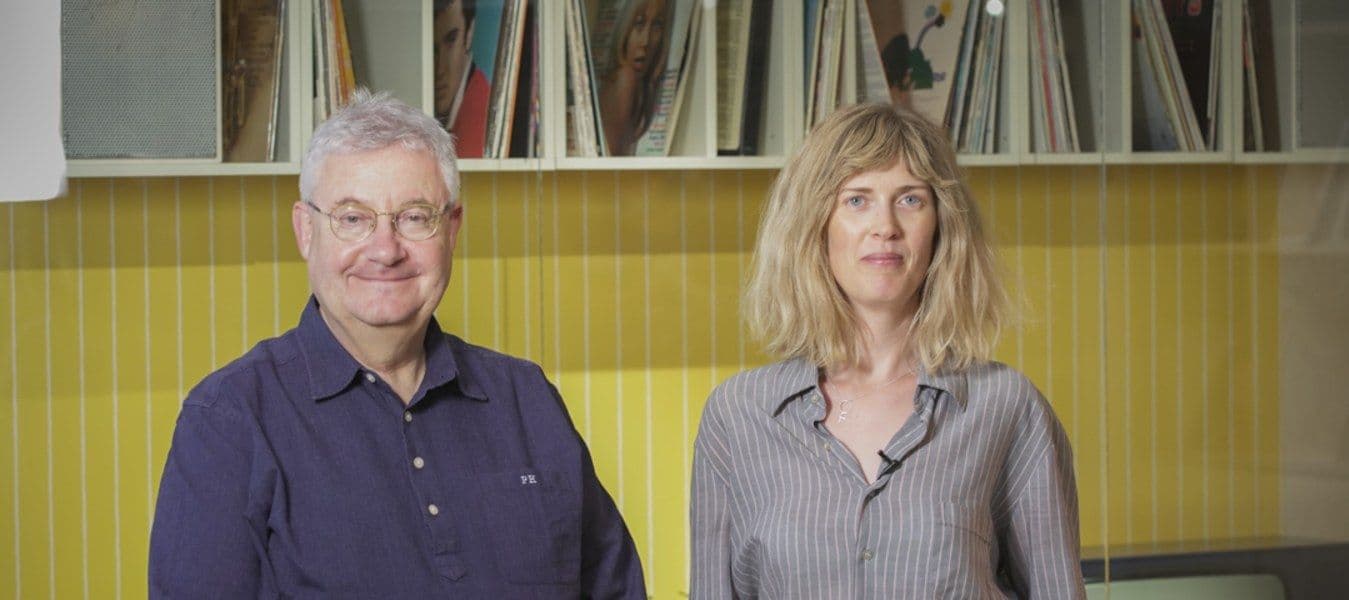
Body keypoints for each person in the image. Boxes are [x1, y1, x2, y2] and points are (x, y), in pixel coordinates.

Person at [149, 89, 645, 598]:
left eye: (414, 217)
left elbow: (615, 587)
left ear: (452, 229)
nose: (385, 250)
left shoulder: (526, 397)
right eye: (352, 218)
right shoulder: (229, 420)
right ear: (305, 230)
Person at [690, 103, 1085, 598]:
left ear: (942, 227)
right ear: (816, 225)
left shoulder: (1007, 407)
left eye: (911, 200)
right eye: (857, 200)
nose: (885, 226)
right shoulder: (737, 416)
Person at [597, 0, 668, 156]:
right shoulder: (624, 79)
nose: (646, 41)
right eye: (639, 24)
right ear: (625, 28)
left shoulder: (643, 88)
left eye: (657, 25)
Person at [434, 0, 488, 158]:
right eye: (432, 50)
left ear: (469, 33)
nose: (439, 70)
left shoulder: (484, 109)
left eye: (451, 40)